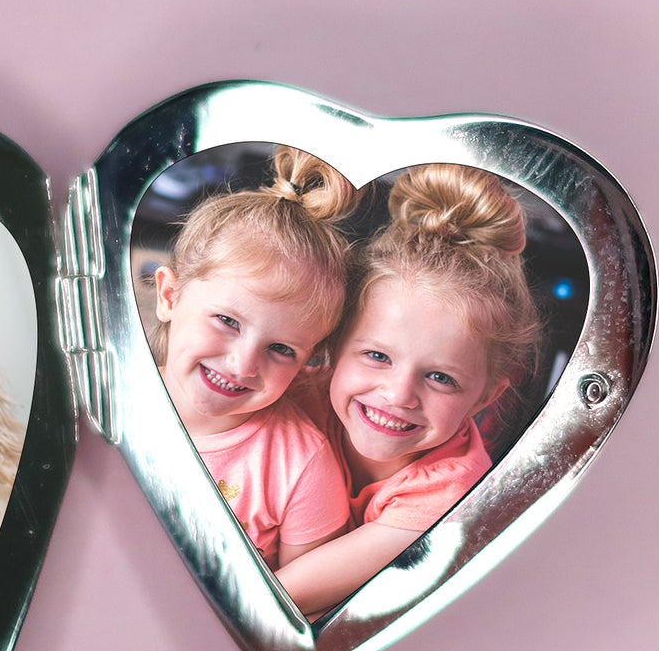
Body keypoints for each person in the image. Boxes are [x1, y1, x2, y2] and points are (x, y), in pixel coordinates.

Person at [276, 163, 540, 616]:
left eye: (440, 377)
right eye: (377, 356)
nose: (398, 394)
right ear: (334, 345)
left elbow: (278, 597)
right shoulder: (290, 392)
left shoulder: (451, 495)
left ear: (486, 395)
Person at [152, 148, 359, 567]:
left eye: (281, 349)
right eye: (227, 321)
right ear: (169, 296)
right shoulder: (103, 390)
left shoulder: (301, 467)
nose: (243, 365)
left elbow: (302, 608)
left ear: (309, 364)